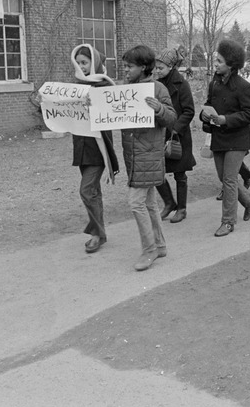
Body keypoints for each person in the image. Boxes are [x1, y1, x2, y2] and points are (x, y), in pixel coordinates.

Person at [119, 45, 177, 271]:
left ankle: (149, 249)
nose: (125, 70)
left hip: (148, 155)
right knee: (150, 203)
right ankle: (160, 245)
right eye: (124, 66)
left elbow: (172, 118)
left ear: (143, 67)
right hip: (133, 155)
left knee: (136, 203)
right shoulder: (127, 89)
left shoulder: (158, 88)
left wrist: (159, 109)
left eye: (129, 66)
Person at [64, 44, 120, 255]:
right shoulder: (76, 86)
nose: (81, 66)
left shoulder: (105, 85)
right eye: (78, 63)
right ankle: (100, 232)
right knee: (94, 191)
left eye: (85, 62)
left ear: (94, 63)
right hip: (82, 146)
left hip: (98, 147)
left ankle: (97, 234)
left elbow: (110, 111)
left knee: (86, 190)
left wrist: (93, 104)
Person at [199, 40, 250, 236]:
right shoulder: (214, 83)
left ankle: (228, 222)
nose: (215, 64)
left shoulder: (243, 86)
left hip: (237, 139)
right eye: (216, 60)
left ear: (231, 64)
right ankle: (248, 201)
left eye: (219, 61)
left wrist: (226, 119)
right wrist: (205, 116)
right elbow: (208, 104)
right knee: (224, 178)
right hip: (219, 138)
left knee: (230, 179)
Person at [152, 48, 196, 224]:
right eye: (156, 67)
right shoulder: (156, 84)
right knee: (156, 172)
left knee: (180, 174)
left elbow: (189, 110)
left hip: (178, 136)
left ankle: (182, 208)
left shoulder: (182, 84)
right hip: (160, 134)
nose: (157, 71)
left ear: (170, 66)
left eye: (160, 68)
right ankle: (169, 202)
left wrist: (176, 128)